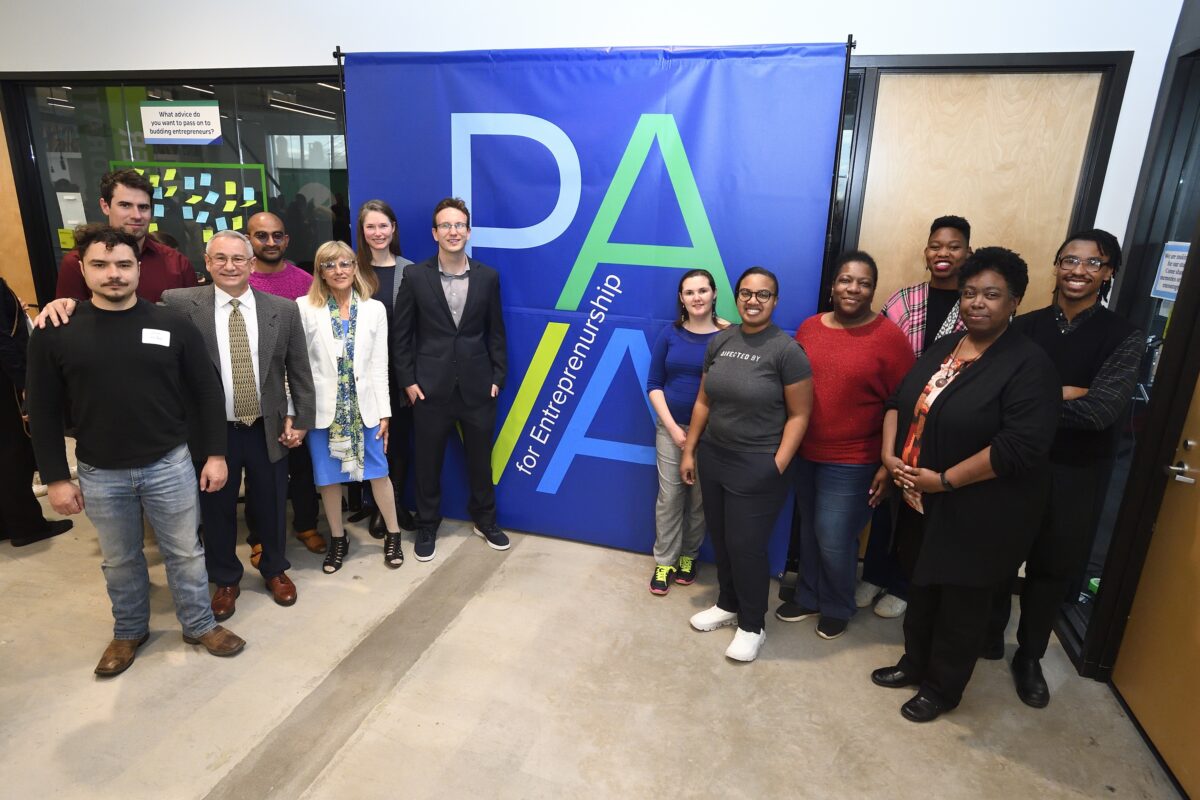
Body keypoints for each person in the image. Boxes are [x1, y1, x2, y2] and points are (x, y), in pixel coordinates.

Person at [26, 224, 245, 676]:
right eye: (101, 265)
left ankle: (200, 624)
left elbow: (207, 393)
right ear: (82, 270)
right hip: (100, 471)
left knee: (185, 551)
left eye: (124, 264)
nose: (114, 274)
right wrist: (56, 478)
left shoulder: (172, 324)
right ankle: (128, 631)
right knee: (120, 559)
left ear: (137, 269)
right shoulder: (56, 332)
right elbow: (43, 410)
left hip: (170, 463)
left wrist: (216, 455)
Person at [870, 247, 1060, 723]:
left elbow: (1018, 447)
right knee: (922, 586)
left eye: (992, 294)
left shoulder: (1028, 364)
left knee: (961, 602)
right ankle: (914, 663)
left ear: (1014, 301)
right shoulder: (945, 346)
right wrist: (890, 456)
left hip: (980, 510)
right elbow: (898, 401)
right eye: (970, 292)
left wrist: (946, 481)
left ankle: (942, 687)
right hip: (919, 498)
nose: (978, 302)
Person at [985, 229, 1145, 708]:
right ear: (1056, 266)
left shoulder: (1124, 336)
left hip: (1077, 473)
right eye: (1069, 260)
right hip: (1014, 464)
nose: (1079, 271)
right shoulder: (1024, 327)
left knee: (1051, 569)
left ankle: (1030, 657)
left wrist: (1035, 400)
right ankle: (988, 637)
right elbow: (994, 400)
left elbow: (1101, 412)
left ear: (1109, 272)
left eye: (1093, 263)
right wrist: (1066, 392)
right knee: (996, 554)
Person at [160, 230, 316, 621]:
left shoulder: (282, 309)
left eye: (238, 259)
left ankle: (275, 569)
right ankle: (226, 578)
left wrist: (300, 419)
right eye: (221, 258)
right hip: (213, 432)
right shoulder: (179, 305)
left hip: (268, 427)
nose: (230, 266)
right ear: (207, 263)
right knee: (217, 509)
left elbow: (299, 371)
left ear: (251, 265)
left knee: (272, 503)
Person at [774, 251, 914, 639]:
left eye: (863, 282)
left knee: (834, 536)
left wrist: (889, 463)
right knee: (811, 532)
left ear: (872, 289)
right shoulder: (809, 327)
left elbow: (904, 403)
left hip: (854, 458)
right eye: (846, 280)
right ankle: (809, 596)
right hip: (806, 451)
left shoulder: (888, 336)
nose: (853, 288)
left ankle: (837, 604)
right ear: (833, 285)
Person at [680, 267, 813, 663]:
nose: (753, 301)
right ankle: (727, 604)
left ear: (775, 301)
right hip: (714, 457)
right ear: (736, 297)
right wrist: (690, 450)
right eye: (746, 293)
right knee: (721, 538)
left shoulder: (787, 351)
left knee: (746, 546)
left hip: (758, 464)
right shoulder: (721, 341)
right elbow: (704, 401)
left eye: (763, 295)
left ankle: (753, 625)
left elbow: (800, 416)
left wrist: (777, 464)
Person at [859, 215, 974, 618]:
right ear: (926, 253)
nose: (944, 254)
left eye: (954, 246)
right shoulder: (903, 300)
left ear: (968, 253)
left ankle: (903, 585)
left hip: (945, 423)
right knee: (883, 494)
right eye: (936, 246)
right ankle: (873, 574)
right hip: (896, 412)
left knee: (919, 506)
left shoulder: (977, 304)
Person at [392, 197, 509, 562]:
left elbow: (496, 333)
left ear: (468, 231)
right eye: (446, 225)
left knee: (480, 460)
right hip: (429, 389)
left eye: (459, 225)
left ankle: (485, 521)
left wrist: (497, 377)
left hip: (478, 387)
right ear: (435, 233)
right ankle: (427, 524)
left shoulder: (488, 277)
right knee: (427, 462)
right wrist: (408, 381)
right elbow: (402, 335)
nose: (453, 231)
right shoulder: (415, 276)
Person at [298, 240, 405, 573]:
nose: (339, 270)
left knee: (379, 473)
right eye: (330, 265)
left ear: (355, 268)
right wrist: (296, 412)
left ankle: (393, 534)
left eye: (345, 263)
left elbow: (379, 365)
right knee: (328, 479)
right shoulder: (304, 308)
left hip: (366, 407)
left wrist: (385, 412)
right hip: (323, 411)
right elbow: (299, 366)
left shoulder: (374, 309)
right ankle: (338, 538)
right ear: (321, 272)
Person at [245, 211, 325, 559]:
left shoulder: (305, 281)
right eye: (261, 236)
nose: (270, 242)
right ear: (249, 240)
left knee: (302, 465)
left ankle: (306, 525)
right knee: (259, 470)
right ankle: (260, 537)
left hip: (297, 385)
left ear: (287, 240)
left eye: (277, 235)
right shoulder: (237, 279)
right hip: (253, 391)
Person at [645, 269, 727, 595]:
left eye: (703, 290)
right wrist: (674, 431)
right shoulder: (669, 334)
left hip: (712, 434)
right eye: (690, 292)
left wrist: (695, 434)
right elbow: (654, 385)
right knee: (670, 498)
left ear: (714, 293)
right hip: (671, 431)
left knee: (700, 501)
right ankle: (664, 562)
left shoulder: (729, 336)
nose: (697, 297)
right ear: (681, 298)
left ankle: (689, 557)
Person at [355, 199, 416, 537]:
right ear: (362, 232)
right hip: (363, 375)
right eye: (370, 227)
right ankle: (377, 507)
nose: (377, 233)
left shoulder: (411, 270)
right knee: (372, 441)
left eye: (383, 226)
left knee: (401, 442)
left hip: (400, 374)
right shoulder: (350, 270)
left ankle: (397, 504)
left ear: (393, 228)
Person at [0, 277, 72, 547]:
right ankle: (26, 526)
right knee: (13, 454)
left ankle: (5, 524)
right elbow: (3, 341)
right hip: (6, 383)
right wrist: (24, 382)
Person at [55, 169, 197, 302]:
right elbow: (71, 321)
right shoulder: (78, 262)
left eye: (143, 207)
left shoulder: (177, 264)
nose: (136, 216)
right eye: (125, 205)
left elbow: (192, 318)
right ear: (105, 206)